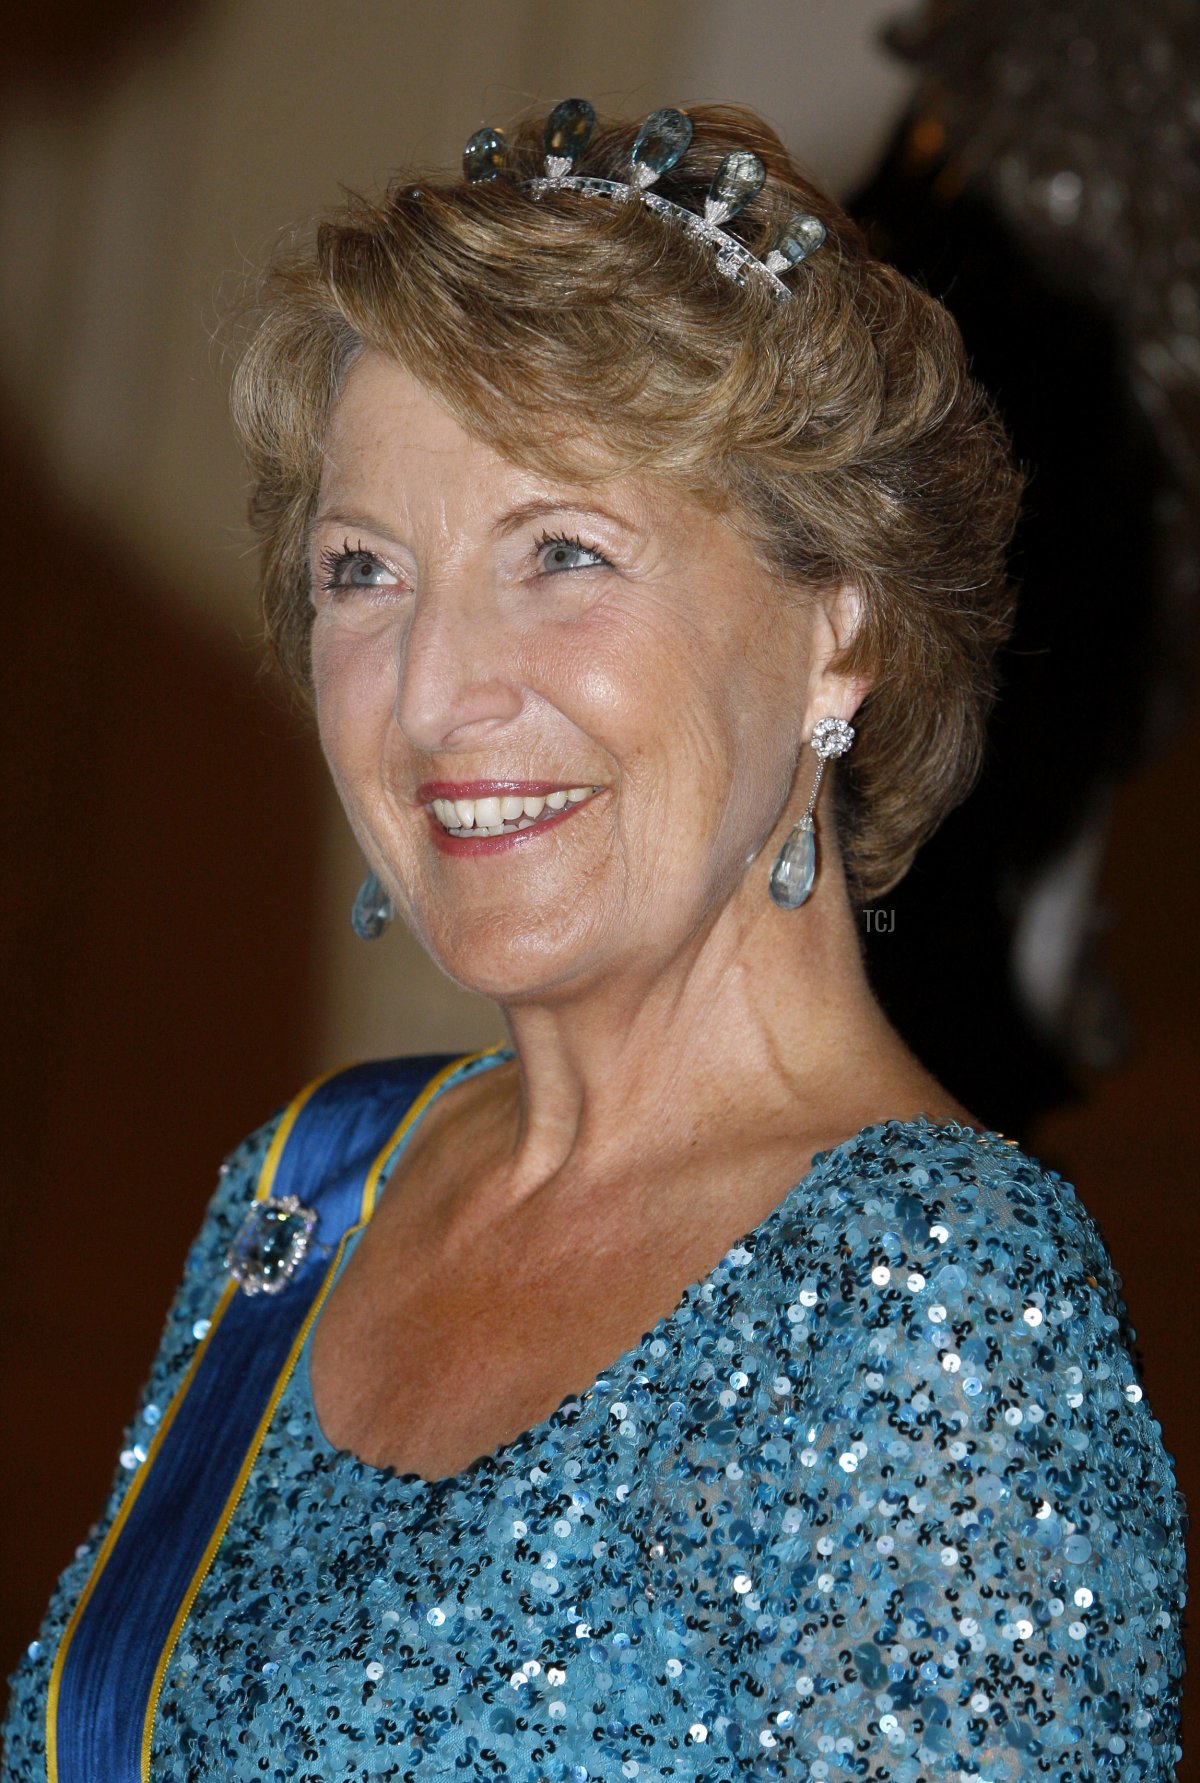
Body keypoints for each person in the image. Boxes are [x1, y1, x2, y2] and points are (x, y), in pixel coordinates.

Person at [4, 99, 1186, 1783]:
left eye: (561, 551)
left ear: (835, 633)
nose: (429, 693)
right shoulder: (308, 1187)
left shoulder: (945, 1308)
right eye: (363, 573)